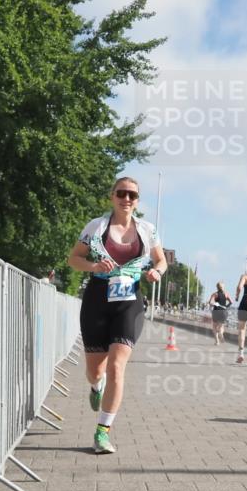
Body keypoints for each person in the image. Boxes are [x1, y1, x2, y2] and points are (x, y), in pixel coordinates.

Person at [67, 176, 167, 454]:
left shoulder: (147, 230)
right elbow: (73, 259)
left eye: (132, 195)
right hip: (98, 298)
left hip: (130, 300)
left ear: (137, 201)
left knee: (117, 367)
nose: (127, 199)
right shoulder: (96, 227)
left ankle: (102, 432)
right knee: (95, 370)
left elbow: (161, 259)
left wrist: (156, 271)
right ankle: (95, 386)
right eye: (121, 193)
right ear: (112, 196)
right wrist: (93, 266)